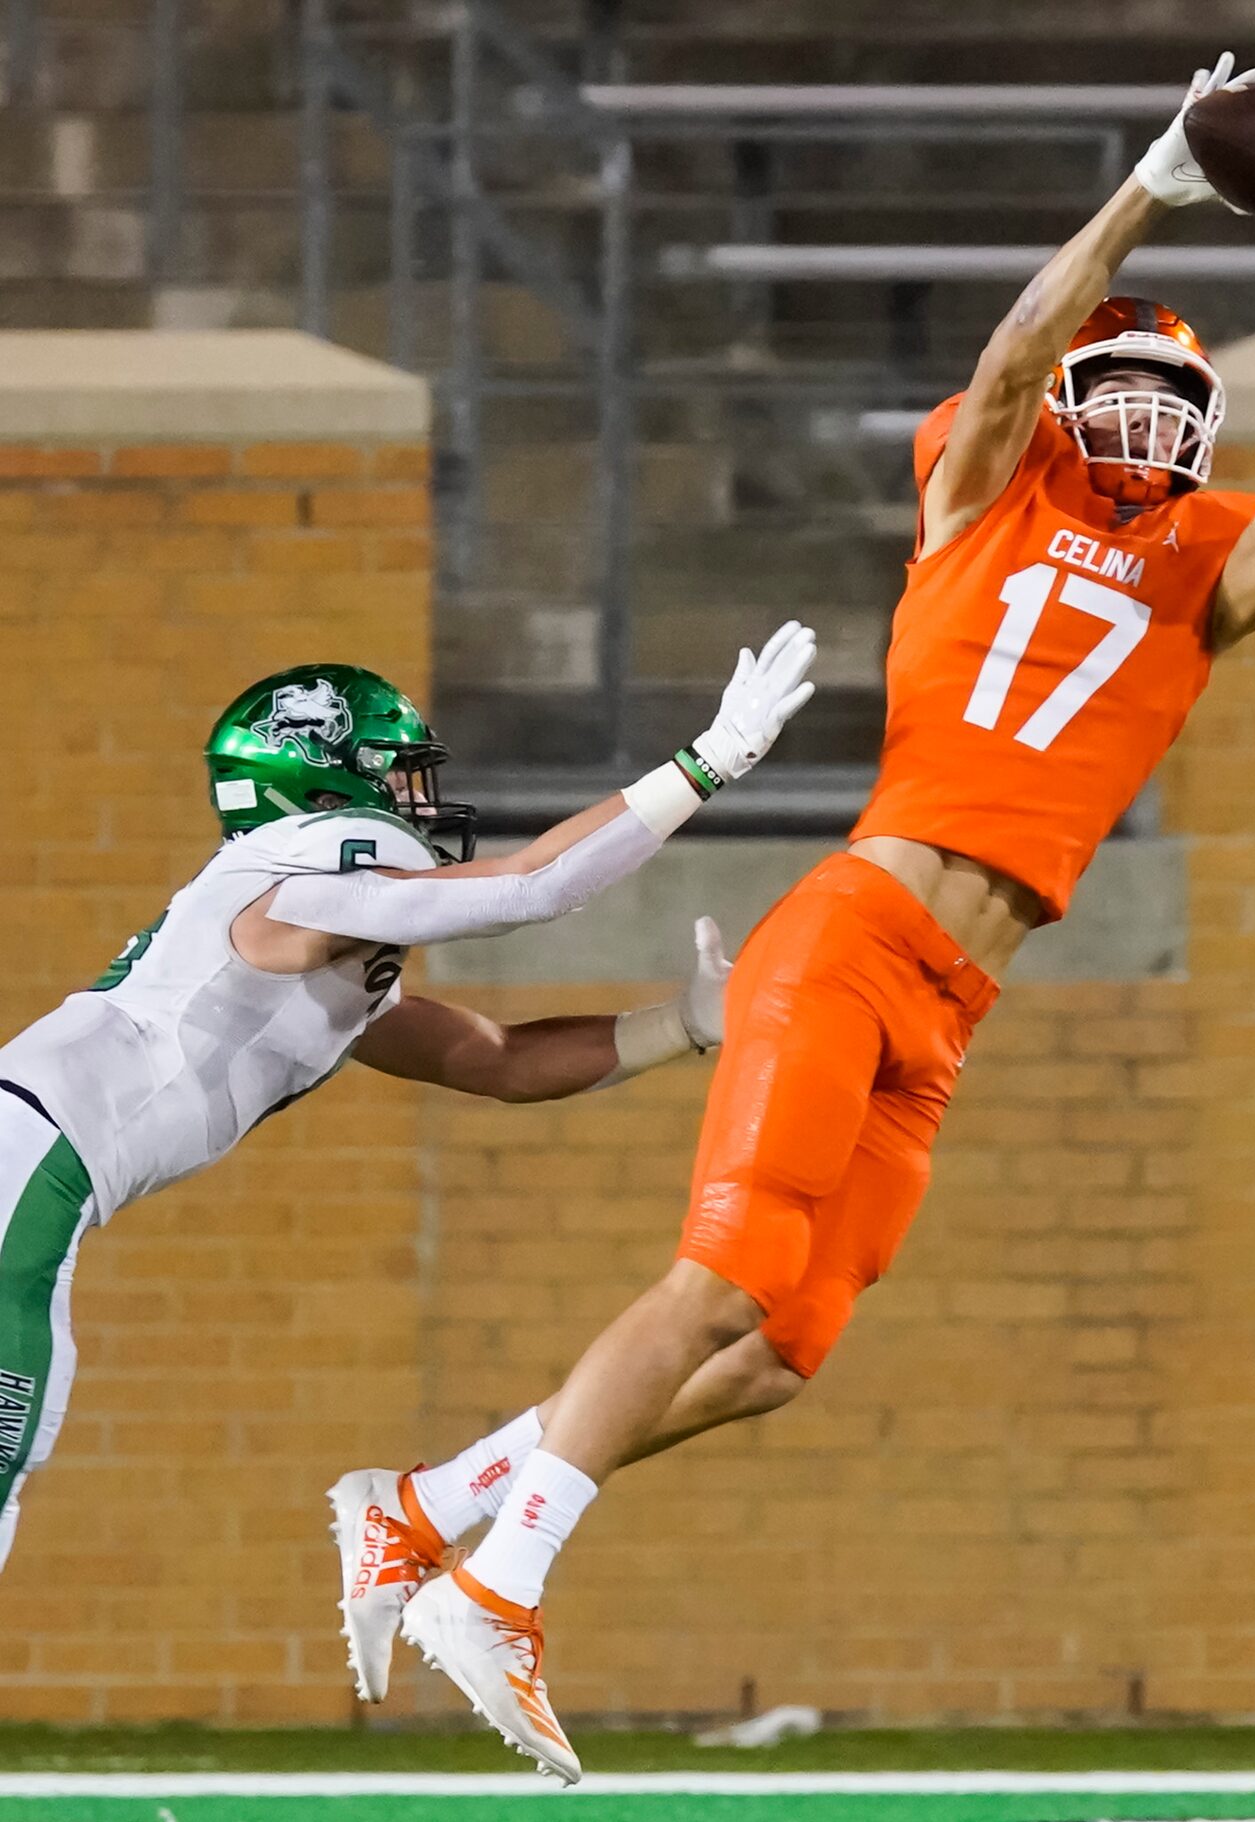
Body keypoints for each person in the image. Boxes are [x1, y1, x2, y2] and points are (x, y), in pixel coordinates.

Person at [356, 55, 1255, 1784]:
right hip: (854, 924)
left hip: (953, 998)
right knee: (717, 1279)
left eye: (1179, 390)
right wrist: (1151, 177)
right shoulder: (980, 494)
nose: (1153, 412)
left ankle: (431, 1505)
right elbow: (1016, 349)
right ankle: (503, 1582)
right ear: (1076, 402)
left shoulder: (1198, 570)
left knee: (779, 1349)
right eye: (1126, 381)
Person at [0, 628, 817, 1578]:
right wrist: (708, 762)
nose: (417, 801)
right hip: (29, 1163)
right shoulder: (290, 876)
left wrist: (679, 1023)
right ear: (315, 787)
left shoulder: (297, 966)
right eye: (395, 776)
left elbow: (500, 1061)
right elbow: (533, 886)